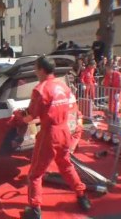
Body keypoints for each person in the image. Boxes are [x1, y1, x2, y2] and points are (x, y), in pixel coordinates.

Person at [16, 56, 90, 219]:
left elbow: (30, 116)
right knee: (66, 166)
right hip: (64, 131)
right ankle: (82, 196)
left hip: (49, 135)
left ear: (41, 70)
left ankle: (35, 210)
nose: (35, 72)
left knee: (35, 174)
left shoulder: (40, 89)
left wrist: (18, 116)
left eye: (36, 68)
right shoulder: (63, 85)